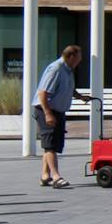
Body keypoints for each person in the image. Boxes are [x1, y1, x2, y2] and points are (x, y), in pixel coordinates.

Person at [33, 43, 82, 189]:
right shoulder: (56, 69)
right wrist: (48, 114)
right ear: (71, 56)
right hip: (46, 109)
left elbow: (66, 88)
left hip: (58, 111)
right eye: (78, 58)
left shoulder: (68, 70)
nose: (79, 61)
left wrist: (79, 96)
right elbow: (43, 93)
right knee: (50, 144)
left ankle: (45, 176)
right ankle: (56, 177)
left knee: (52, 144)